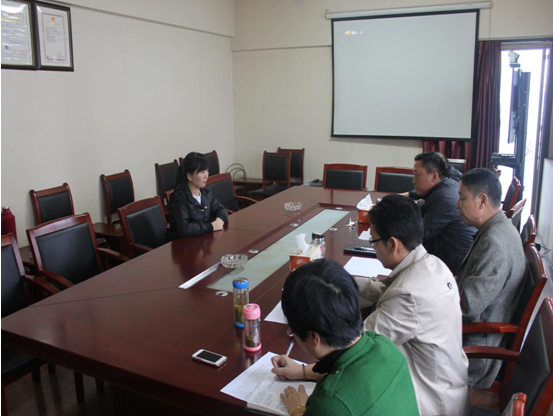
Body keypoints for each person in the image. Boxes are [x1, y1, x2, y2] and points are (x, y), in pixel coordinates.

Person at [355, 195, 470, 416]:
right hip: (451, 387)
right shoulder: (434, 264)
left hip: (431, 404)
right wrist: (349, 283)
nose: (374, 248)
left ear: (392, 244)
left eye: (374, 241)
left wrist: (305, 370)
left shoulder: (407, 295)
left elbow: (360, 347)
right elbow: (391, 292)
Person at [271, 259, 419, 416]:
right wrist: (302, 371)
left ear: (314, 337)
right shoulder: (383, 345)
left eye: (293, 331)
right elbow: (354, 377)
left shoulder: (329, 404)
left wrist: (298, 409)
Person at [456, 168, 526, 388]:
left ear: (482, 200)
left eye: (462, 198)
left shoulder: (495, 243)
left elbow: (467, 306)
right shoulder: (498, 228)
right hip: (473, 334)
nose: (457, 204)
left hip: (476, 352)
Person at [404, 152, 476, 274]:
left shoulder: (443, 198)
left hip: (454, 269)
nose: (413, 180)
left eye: (417, 175)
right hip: (450, 258)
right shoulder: (447, 185)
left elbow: (418, 236)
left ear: (434, 177)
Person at [169, 152, 228, 237]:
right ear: (189, 176)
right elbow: (184, 228)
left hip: (204, 239)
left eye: (207, 170)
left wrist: (219, 220)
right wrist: (211, 226)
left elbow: (221, 209)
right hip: (185, 243)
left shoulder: (205, 193)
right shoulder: (179, 198)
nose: (206, 176)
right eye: (202, 172)